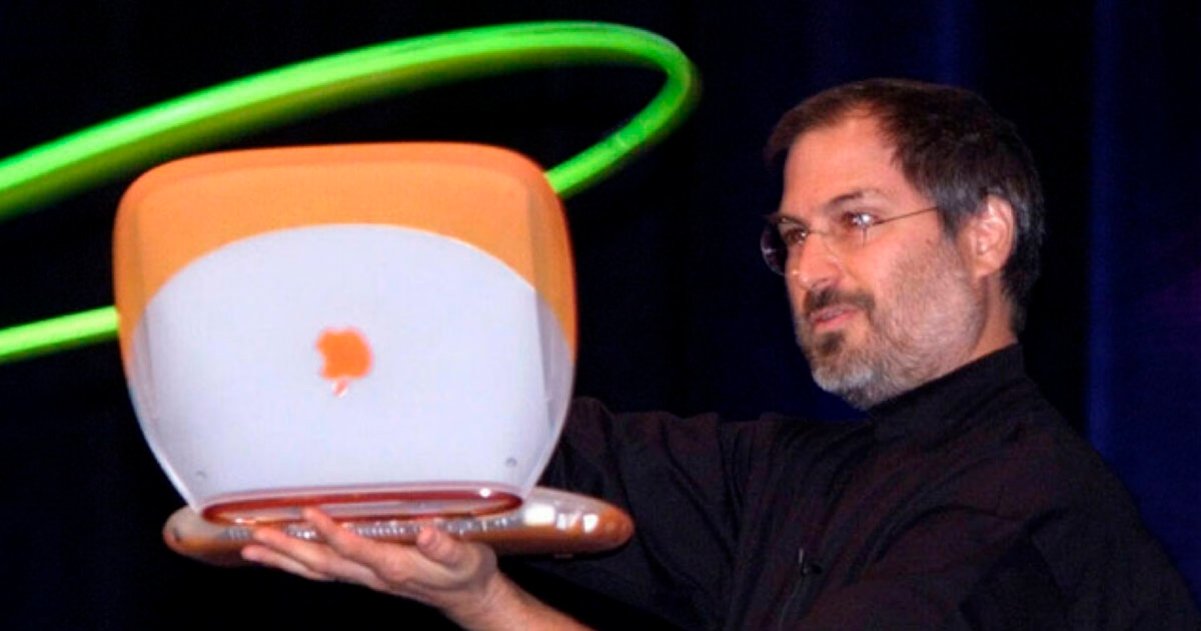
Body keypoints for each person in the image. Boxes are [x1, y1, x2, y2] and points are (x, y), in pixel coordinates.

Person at [241, 79, 1200, 629]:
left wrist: (488, 603)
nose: (810, 267)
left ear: (985, 235)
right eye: (790, 236)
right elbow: (531, 445)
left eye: (854, 221)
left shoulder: (1018, 516)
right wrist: (337, 341)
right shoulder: (796, 475)